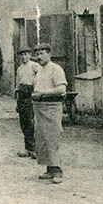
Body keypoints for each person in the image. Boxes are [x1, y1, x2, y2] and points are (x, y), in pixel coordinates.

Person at [32, 43, 67, 184]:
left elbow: (61, 89)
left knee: (52, 138)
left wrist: (42, 93)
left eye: (42, 54)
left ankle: (58, 171)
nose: (39, 57)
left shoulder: (56, 69)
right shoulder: (40, 70)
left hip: (52, 107)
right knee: (42, 139)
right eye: (37, 54)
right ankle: (49, 169)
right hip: (40, 107)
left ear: (49, 54)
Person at [16, 46, 40, 159]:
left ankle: (36, 149)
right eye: (22, 55)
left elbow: (41, 78)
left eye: (26, 54)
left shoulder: (34, 65)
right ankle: (28, 148)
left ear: (30, 55)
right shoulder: (20, 68)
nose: (24, 57)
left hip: (31, 93)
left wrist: (36, 90)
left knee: (31, 121)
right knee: (23, 122)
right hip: (22, 94)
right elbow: (18, 84)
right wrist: (17, 101)